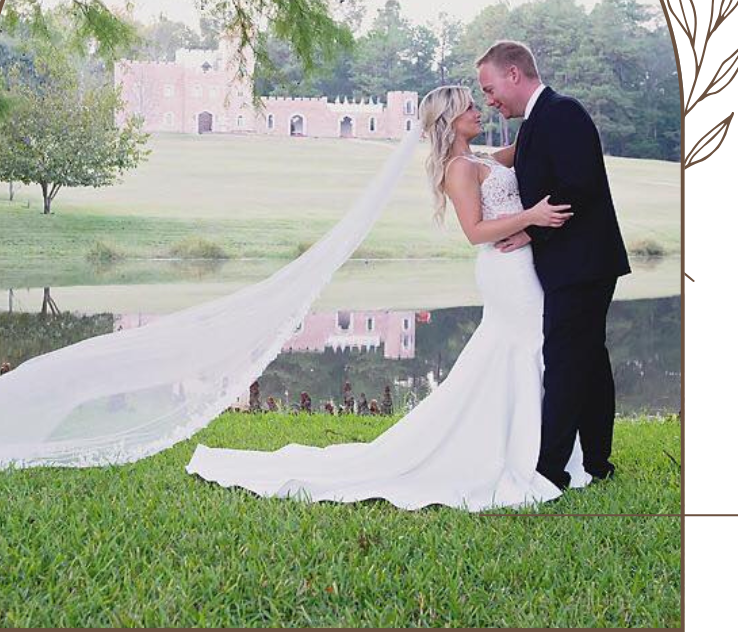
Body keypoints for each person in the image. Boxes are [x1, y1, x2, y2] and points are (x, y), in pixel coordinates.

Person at [184, 84, 593, 511]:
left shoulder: (481, 159)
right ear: (450, 119)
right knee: (525, 347)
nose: (479, 112)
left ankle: (536, 449)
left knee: (532, 349)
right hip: (506, 271)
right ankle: (517, 453)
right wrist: (531, 216)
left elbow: (528, 144)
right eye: (470, 107)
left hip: (522, 267)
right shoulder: (458, 168)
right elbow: (475, 232)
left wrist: (548, 117)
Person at [476, 40, 631, 489]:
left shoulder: (562, 112)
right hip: (575, 262)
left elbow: (579, 183)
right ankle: (598, 462)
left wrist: (531, 230)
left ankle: (550, 470)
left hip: (582, 262)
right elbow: (497, 166)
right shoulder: (534, 123)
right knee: (588, 361)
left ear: (514, 75)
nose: (489, 100)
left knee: (565, 361)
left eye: (490, 89)